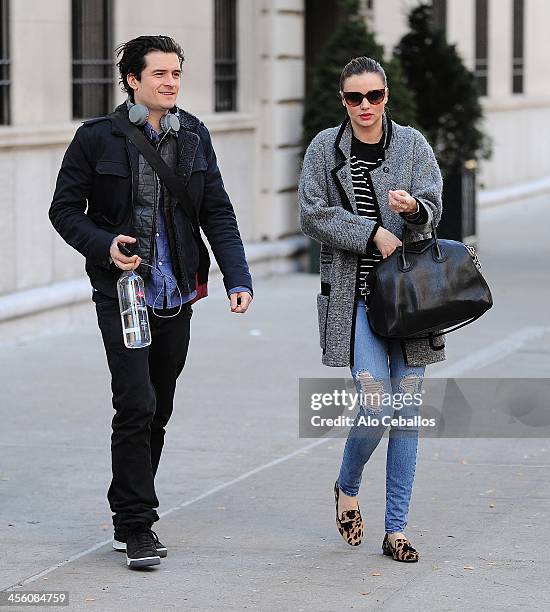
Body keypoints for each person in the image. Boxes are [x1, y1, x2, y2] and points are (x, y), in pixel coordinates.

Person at [49, 35, 253, 569]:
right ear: (132, 80)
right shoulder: (96, 138)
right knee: (135, 402)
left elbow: (219, 213)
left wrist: (238, 277)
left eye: (176, 74)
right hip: (123, 293)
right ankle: (137, 524)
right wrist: (104, 245)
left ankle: (130, 508)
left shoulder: (195, 137)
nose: (170, 83)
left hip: (176, 291)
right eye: (159, 74)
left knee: (158, 407)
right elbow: (65, 210)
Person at [299, 57, 445, 562]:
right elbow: (312, 214)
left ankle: (397, 530)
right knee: (376, 402)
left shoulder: (411, 145)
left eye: (374, 96)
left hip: (410, 302)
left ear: (387, 96)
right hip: (355, 298)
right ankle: (347, 484)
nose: (365, 106)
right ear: (343, 100)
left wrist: (413, 210)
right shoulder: (325, 148)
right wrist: (371, 233)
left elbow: (434, 206)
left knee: (406, 413)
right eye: (354, 98)